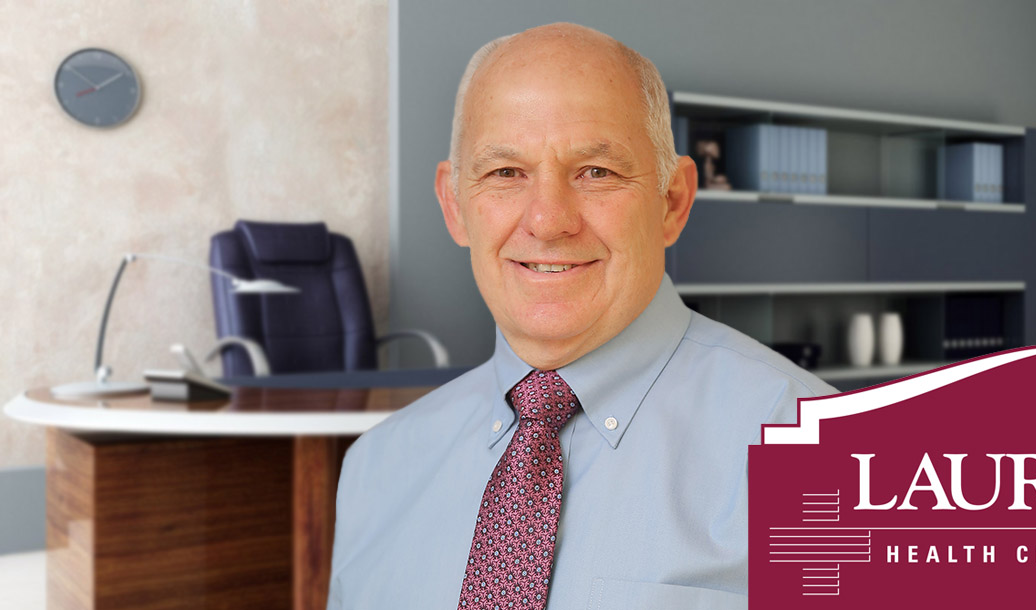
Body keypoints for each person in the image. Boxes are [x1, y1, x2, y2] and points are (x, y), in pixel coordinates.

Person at [327, 23, 835, 609]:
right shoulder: (376, 470)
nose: (548, 220)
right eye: (505, 173)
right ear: (454, 204)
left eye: (596, 172)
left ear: (672, 202)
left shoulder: (822, 456)